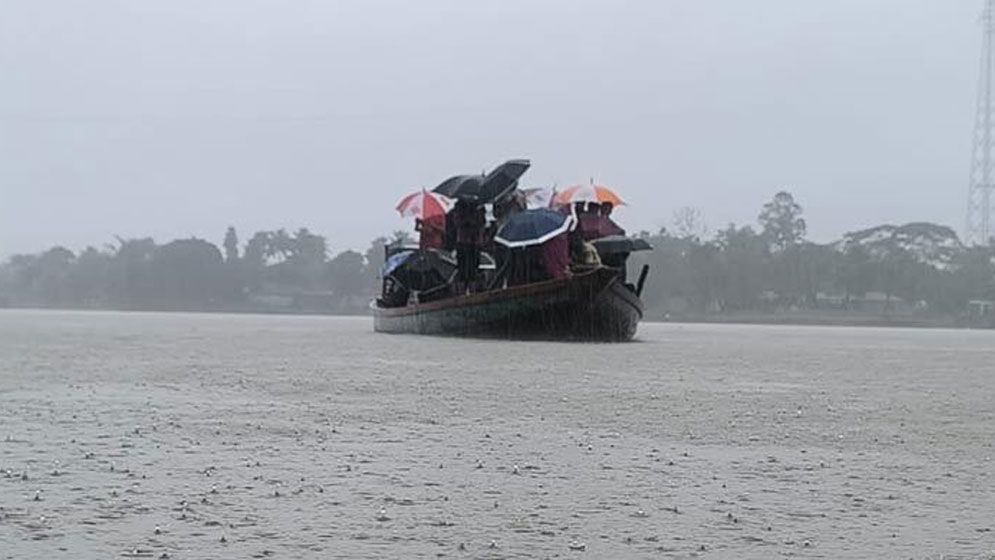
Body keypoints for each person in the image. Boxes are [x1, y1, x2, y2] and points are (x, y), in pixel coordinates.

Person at [453, 199, 485, 293]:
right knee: (463, 270)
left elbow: (481, 223)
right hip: (463, 242)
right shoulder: (459, 208)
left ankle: (472, 290)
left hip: (473, 243)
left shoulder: (478, 209)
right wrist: (467, 220)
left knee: (473, 269)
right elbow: (457, 223)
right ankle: (463, 291)